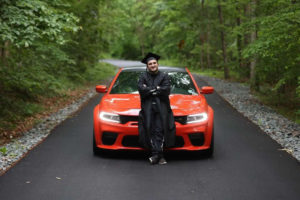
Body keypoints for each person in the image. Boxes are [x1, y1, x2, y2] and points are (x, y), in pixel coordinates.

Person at [138, 52, 176, 165]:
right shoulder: (143, 76)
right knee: (149, 129)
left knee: (159, 130)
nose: (153, 65)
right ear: (147, 66)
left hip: (162, 108)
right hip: (148, 108)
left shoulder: (164, 76)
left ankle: (155, 155)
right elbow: (141, 90)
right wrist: (157, 88)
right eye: (150, 64)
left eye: (154, 63)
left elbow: (166, 90)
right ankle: (159, 156)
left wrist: (149, 89)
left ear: (157, 64)